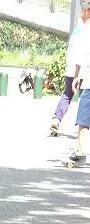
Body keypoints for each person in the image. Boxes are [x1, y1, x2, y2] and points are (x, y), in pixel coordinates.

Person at [50, 3, 90, 136]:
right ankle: (82, 129)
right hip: (82, 69)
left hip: (70, 67)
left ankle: (56, 119)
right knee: (86, 99)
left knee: (67, 95)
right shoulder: (87, 29)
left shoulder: (78, 29)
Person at [69, 0, 90, 163]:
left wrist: (76, 76)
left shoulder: (86, 29)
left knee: (84, 115)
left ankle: (81, 150)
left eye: (82, 12)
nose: (81, 15)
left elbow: (81, 56)